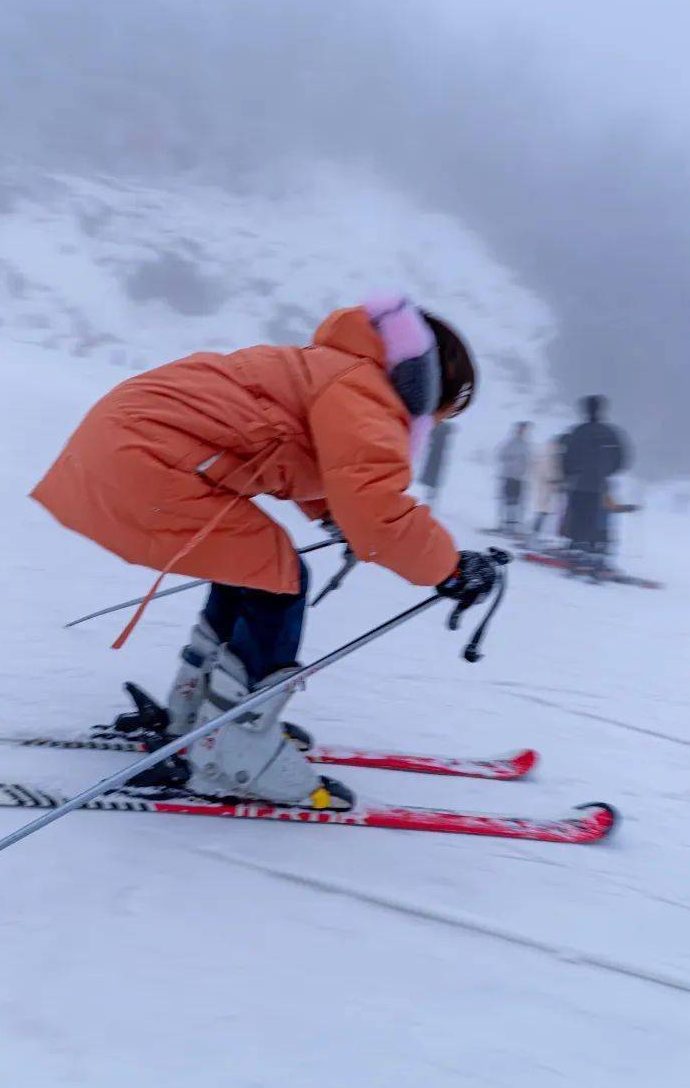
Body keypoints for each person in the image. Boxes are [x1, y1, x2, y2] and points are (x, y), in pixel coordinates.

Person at [31, 294, 492, 808]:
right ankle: (235, 752)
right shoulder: (367, 391)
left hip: (127, 443)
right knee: (279, 579)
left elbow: (313, 460)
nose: (435, 425)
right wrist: (451, 570)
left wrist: (338, 517)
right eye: (443, 414)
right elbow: (376, 507)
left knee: (251, 568)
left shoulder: (335, 369)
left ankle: (198, 716)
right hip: (148, 457)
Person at [562, 396, 630, 570]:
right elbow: (622, 460)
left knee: (579, 518)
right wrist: (605, 472)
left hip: (578, 484)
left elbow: (566, 460)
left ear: (585, 410)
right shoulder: (611, 433)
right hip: (600, 485)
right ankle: (597, 553)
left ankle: (578, 551)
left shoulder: (578, 432)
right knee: (598, 520)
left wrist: (569, 475)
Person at [531, 432, 569, 542]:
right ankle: (536, 534)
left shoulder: (557, 453)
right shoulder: (549, 453)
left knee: (554, 511)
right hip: (547, 486)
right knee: (544, 510)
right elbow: (543, 469)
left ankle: (548, 535)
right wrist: (553, 480)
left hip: (555, 485)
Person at [495, 421, 531, 535]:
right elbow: (501, 455)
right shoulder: (511, 443)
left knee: (516, 502)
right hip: (509, 476)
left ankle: (512, 526)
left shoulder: (525, 444)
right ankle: (503, 525)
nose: (523, 432)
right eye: (521, 429)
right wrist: (513, 461)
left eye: (525, 430)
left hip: (520, 478)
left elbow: (528, 461)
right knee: (507, 501)